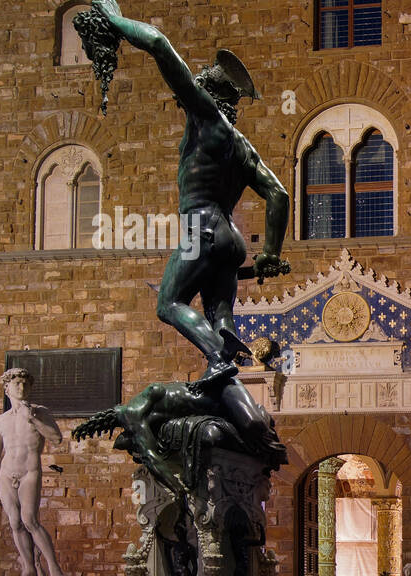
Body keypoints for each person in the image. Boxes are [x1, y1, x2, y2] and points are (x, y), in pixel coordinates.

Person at [91, 0, 290, 384]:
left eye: (196, 85)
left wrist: (115, 21)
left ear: (207, 93)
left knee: (168, 303)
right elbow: (278, 195)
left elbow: (160, 45)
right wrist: (270, 254)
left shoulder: (206, 117)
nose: (186, 92)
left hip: (203, 229)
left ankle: (217, 357)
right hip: (230, 241)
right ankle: (225, 361)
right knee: (220, 317)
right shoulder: (244, 147)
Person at [0, 368, 67, 576]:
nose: (22, 388)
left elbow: (56, 438)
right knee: (15, 523)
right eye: (17, 384)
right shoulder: (0, 421)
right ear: (6, 388)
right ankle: (29, 567)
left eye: (25, 384)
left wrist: (34, 420)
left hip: (29, 472)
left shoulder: (40, 412)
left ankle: (53, 566)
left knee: (30, 519)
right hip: (7, 474)